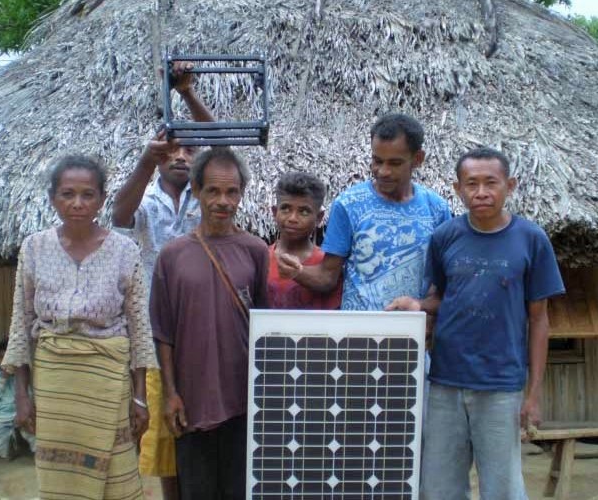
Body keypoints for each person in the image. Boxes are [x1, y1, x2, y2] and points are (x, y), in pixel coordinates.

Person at [410, 147, 565, 500]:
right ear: (457, 188)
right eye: (472, 184)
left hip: (500, 385)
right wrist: (417, 304)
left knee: (503, 487)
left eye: (490, 183)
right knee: (439, 487)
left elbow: (539, 320)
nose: (481, 192)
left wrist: (534, 395)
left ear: (509, 185)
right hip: (445, 381)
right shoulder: (445, 237)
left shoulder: (531, 240)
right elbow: (439, 298)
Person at [2, 154, 158, 500]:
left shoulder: (124, 250)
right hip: (54, 383)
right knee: (62, 478)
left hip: (108, 379)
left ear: (102, 199)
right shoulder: (34, 248)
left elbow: (139, 328)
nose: (77, 203)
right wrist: (22, 397)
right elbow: (21, 322)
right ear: (52, 198)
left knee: (116, 471)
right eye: (67, 194)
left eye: (87, 194)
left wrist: (140, 398)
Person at [111, 61, 214, 500]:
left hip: (205, 329)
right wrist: (144, 162)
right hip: (157, 338)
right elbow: (118, 217)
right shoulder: (145, 196)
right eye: (171, 150)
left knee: (205, 425)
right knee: (165, 439)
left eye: (189, 152)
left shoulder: (210, 191)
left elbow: (220, 139)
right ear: (158, 154)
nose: (181, 157)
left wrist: (187, 92)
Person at [149, 147, 269, 500]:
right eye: (213, 191)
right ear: (197, 191)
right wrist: (171, 394)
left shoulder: (256, 250)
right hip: (192, 401)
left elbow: (265, 326)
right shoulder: (172, 255)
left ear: (241, 195)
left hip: (244, 402)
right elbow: (163, 333)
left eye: (232, 192)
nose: (223, 200)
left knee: (240, 491)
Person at [276, 113, 451, 314]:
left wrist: (425, 312)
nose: (383, 171)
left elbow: (442, 286)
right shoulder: (349, 204)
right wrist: (297, 271)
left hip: (412, 337)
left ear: (418, 159)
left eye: (394, 163)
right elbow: (328, 276)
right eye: (377, 161)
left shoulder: (437, 209)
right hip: (357, 337)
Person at [269, 171, 342, 309]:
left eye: (304, 211)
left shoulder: (327, 266)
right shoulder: (261, 259)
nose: (292, 218)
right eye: (285, 209)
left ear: (319, 217)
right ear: (274, 212)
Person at [0, 338, 36, 481]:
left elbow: (27, 393)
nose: (5, 361)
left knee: (32, 434)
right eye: (1, 357)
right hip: (1, 414)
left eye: (8, 358)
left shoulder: (20, 375)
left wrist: (29, 408)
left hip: (18, 412)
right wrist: (3, 377)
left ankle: (40, 460)